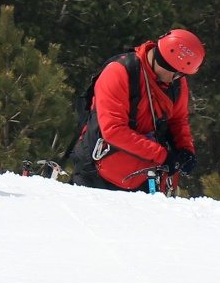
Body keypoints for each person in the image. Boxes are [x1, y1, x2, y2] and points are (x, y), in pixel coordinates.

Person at [68, 29, 205, 191]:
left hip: (144, 179)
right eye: (179, 74)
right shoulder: (119, 72)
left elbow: (177, 120)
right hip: (96, 176)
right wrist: (163, 156)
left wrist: (185, 149)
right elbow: (114, 131)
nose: (180, 79)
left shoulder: (175, 85)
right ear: (169, 66)